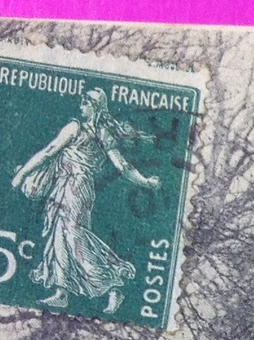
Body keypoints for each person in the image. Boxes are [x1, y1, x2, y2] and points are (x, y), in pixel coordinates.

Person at [11, 87, 161, 314]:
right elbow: (123, 166)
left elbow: (49, 151)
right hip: (66, 187)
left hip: (75, 188)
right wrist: (146, 182)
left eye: (85, 102)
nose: (80, 105)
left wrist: (22, 174)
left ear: (94, 106)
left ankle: (112, 286)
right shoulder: (102, 133)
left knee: (73, 236)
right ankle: (62, 293)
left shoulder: (77, 129)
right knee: (59, 235)